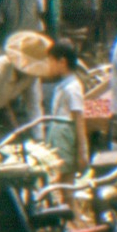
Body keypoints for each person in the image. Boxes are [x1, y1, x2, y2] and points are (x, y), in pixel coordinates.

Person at [0, 31, 45, 147]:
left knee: (15, 144)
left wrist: (40, 139)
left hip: (1, 108)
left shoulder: (32, 76)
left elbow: (34, 106)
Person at [33, 37, 87, 177]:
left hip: (65, 137)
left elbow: (79, 117)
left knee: (65, 178)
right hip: (58, 135)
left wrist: (82, 150)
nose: (48, 65)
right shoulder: (62, 85)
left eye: (50, 61)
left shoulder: (72, 87)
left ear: (62, 62)